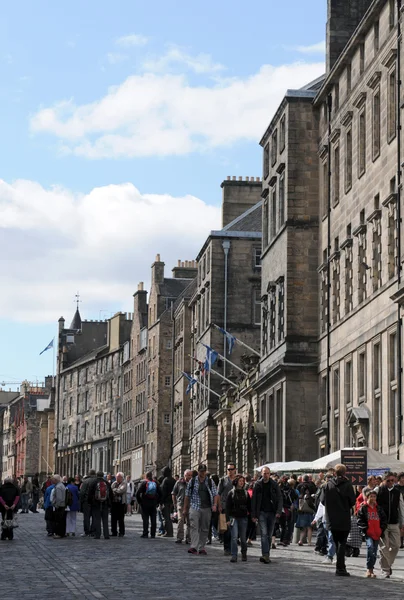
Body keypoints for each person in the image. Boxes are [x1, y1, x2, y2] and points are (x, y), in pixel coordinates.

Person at [320, 463, 356, 576]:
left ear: (334, 473)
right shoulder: (348, 485)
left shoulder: (327, 485)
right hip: (344, 518)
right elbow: (353, 501)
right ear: (345, 473)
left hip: (331, 518)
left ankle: (340, 566)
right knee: (342, 543)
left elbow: (322, 501)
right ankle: (340, 568)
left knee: (336, 542)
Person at [183, 463, 219, 555]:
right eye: (201, 471)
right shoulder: (193, 481)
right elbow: (187, 495)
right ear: (198, 471)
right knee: (194, 526)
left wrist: (215, 505)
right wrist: (185, 509)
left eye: (204, 471)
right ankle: (194, 547)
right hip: (195, 506)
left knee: (205, 528)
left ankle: (201, 547)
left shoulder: (210, 482)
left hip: (207, 508)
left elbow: (215, 494)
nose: (202, 473)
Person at [251, 467, 282, 564]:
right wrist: (254, 514)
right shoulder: (258, 484)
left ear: (270, 474)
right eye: (264, 473)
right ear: (261, 473)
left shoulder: (274, 484)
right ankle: (265, 554)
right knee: (264, 534)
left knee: (269, 535)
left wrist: (278, 511)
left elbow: (279, 498)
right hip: (261, 512)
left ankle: (266, 554)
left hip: (272, 512)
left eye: (268, 473)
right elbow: (254, 500)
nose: (266, 475)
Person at [377, 472, 404, 578]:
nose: (390, 482)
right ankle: (385, 569)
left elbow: (401, 508)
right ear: (384, 480)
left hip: (394, 522)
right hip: (382, 523)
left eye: (392, 480)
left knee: (396, 545)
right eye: (388, 480)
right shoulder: (378, 490)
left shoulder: (397, 492)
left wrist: (402, 523)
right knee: (384, 546)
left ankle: (387, 565)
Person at [358, 489, 387, 578]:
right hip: (368, 533)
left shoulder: (379, 508)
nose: (373, 498)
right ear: (367, 497)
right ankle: (368, 569)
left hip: (377, 533)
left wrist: (381, 529)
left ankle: (371, 570)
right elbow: (360, 521)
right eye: (371, 496)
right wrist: (365, 530)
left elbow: (383, 519)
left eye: (374, 496)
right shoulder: (363, 508)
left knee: (374, 552)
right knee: (370, 548)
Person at [226, 474, 251, 563]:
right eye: (240, 481)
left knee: (243, 538)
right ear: (236, 482)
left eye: (243, 481)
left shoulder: (245, 493)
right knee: (234, 537)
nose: (241, 483)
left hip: (243, 518)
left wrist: (252, 516)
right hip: (234, 518)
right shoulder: (231, 493)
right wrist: (227, 519)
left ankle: (244, 553)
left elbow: (249, 506)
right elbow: (227, 507)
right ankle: (234, 555)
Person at [218, 462, 237, 556]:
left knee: (235, 529)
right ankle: (227, 548)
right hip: (225, 507)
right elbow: (218, 493)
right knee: (227, 529)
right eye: (228, 469)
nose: (230, 471)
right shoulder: (223, 480)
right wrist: (219, 505)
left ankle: (233, 547)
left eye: (231, 469)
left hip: (236, 507)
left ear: (235, 470)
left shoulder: (238, 480)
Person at [136, 471, 162, 538]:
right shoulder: (156, 483)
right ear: (151, 475)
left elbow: (137, 493)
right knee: (153, 519)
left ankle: (145, 533)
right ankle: (153, 534)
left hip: (145, 503)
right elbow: (161, 493)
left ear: (146, 476)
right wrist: (157, 502)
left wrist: (140, 502)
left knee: (145, 519)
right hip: (153, 503)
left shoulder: (144, 483)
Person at [88, 471, 112, 540]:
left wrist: (90, 502)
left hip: (96, 504)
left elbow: (90, 494)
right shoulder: (107, 483)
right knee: (105, 520)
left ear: (96, 475)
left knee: (97, 519)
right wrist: (109, 504)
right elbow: (110, 494)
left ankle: (97, 535)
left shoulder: (93, 483)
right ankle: (106, 535)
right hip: (105, 504)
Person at [172, 469, 192, 544]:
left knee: (189, 522)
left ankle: (188, 538)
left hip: (190, 505)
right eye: (188, 475)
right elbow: (173, 493)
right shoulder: (179, 482)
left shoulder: (193, 483)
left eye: (190, 475)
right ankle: (179, 537)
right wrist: (175, 503)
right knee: (180, 521)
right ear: (184, 475)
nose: (189, 477)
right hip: (181, 504)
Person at [79, 469, 97, 537]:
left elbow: (82, 493)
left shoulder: (85, 481)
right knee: (95, 517)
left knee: (86, 517)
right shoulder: (97, 481)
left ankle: (87, 532)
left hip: (86, 502)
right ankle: (93, 531)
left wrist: (81, 502)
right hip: (96, 502)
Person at [160, 466, 176, 537]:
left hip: (166, 501)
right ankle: (168, 531)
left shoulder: (165, 480)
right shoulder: (173, 480)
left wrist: (161, 502)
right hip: (171, 501)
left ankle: (169, 532)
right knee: (168, 517)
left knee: (166, 518)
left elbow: (163, 492)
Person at [111, 472, 127, 537]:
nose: (117, 478)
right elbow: (111, 490)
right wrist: (115, 490)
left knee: (121, 519)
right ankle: (114, 532)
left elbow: (121, 491)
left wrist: (114, 490)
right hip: (114, 503)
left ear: (121, 477)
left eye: (118, 477)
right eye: (116, 477)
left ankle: (121, 532)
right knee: (113, 519)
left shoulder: (124, 483)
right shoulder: (114, 483)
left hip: (121, 504)